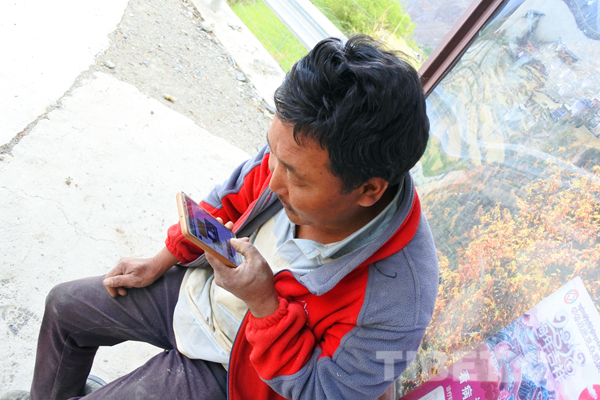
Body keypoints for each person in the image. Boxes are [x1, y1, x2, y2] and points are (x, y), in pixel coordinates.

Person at [2, 35, 438, 400]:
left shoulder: (397, 301)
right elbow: (227, 199)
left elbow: (322, 392)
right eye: (273, 153)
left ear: (368, 190)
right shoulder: (297, 147)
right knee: (65, 308)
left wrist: (264, 303)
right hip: (200, 292)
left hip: (234, 371)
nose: (273, 179)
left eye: (296, 177)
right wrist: (162, 259)